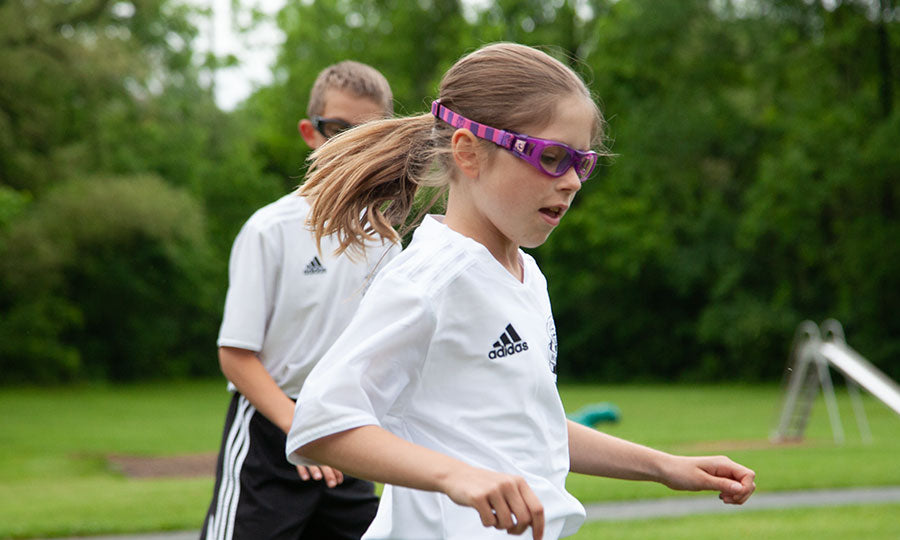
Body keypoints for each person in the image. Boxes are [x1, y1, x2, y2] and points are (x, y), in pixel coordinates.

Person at [285, 43, 756, 540]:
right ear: (468, 152)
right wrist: (456, 476)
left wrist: (665, 467)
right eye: (551, 157)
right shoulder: (430, 279)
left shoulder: (526, 274)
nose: (572, 181)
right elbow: (320, 424)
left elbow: (533, 425)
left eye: (582, 161)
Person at [200, 60, 398, 540]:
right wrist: (300, 426)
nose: (352, 143)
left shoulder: (387, 240)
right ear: (311, 133)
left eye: (368, 132)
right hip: (271, 432)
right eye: (338, 130)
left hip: (347, 430)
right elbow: (236, 355)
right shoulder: (271, 229)